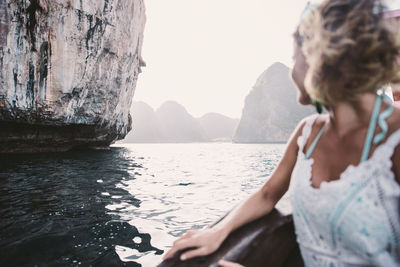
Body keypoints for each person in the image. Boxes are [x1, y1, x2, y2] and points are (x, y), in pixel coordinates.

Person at [163, 0, 400, 266]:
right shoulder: (308, 132)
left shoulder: (395, 137)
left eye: (293, 58)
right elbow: (267, 194)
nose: (290, 72)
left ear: (319, 55)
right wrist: (218, 231)